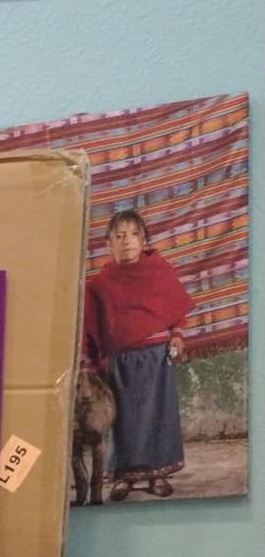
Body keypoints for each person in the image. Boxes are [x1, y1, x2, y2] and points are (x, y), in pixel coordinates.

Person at [82, 207, 193, 500]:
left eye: (133, 234)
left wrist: (178, 335)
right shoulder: (99, 285)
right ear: (108, 244)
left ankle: (158, 474)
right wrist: (91, 366)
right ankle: (124, 477)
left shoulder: (160, 271)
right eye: (119, 236)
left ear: (143, 240)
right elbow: (89, 329)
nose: (127, 241)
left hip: (157, 359)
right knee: (123, 421)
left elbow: (176, 311)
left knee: (159, 416)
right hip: (119, 364)